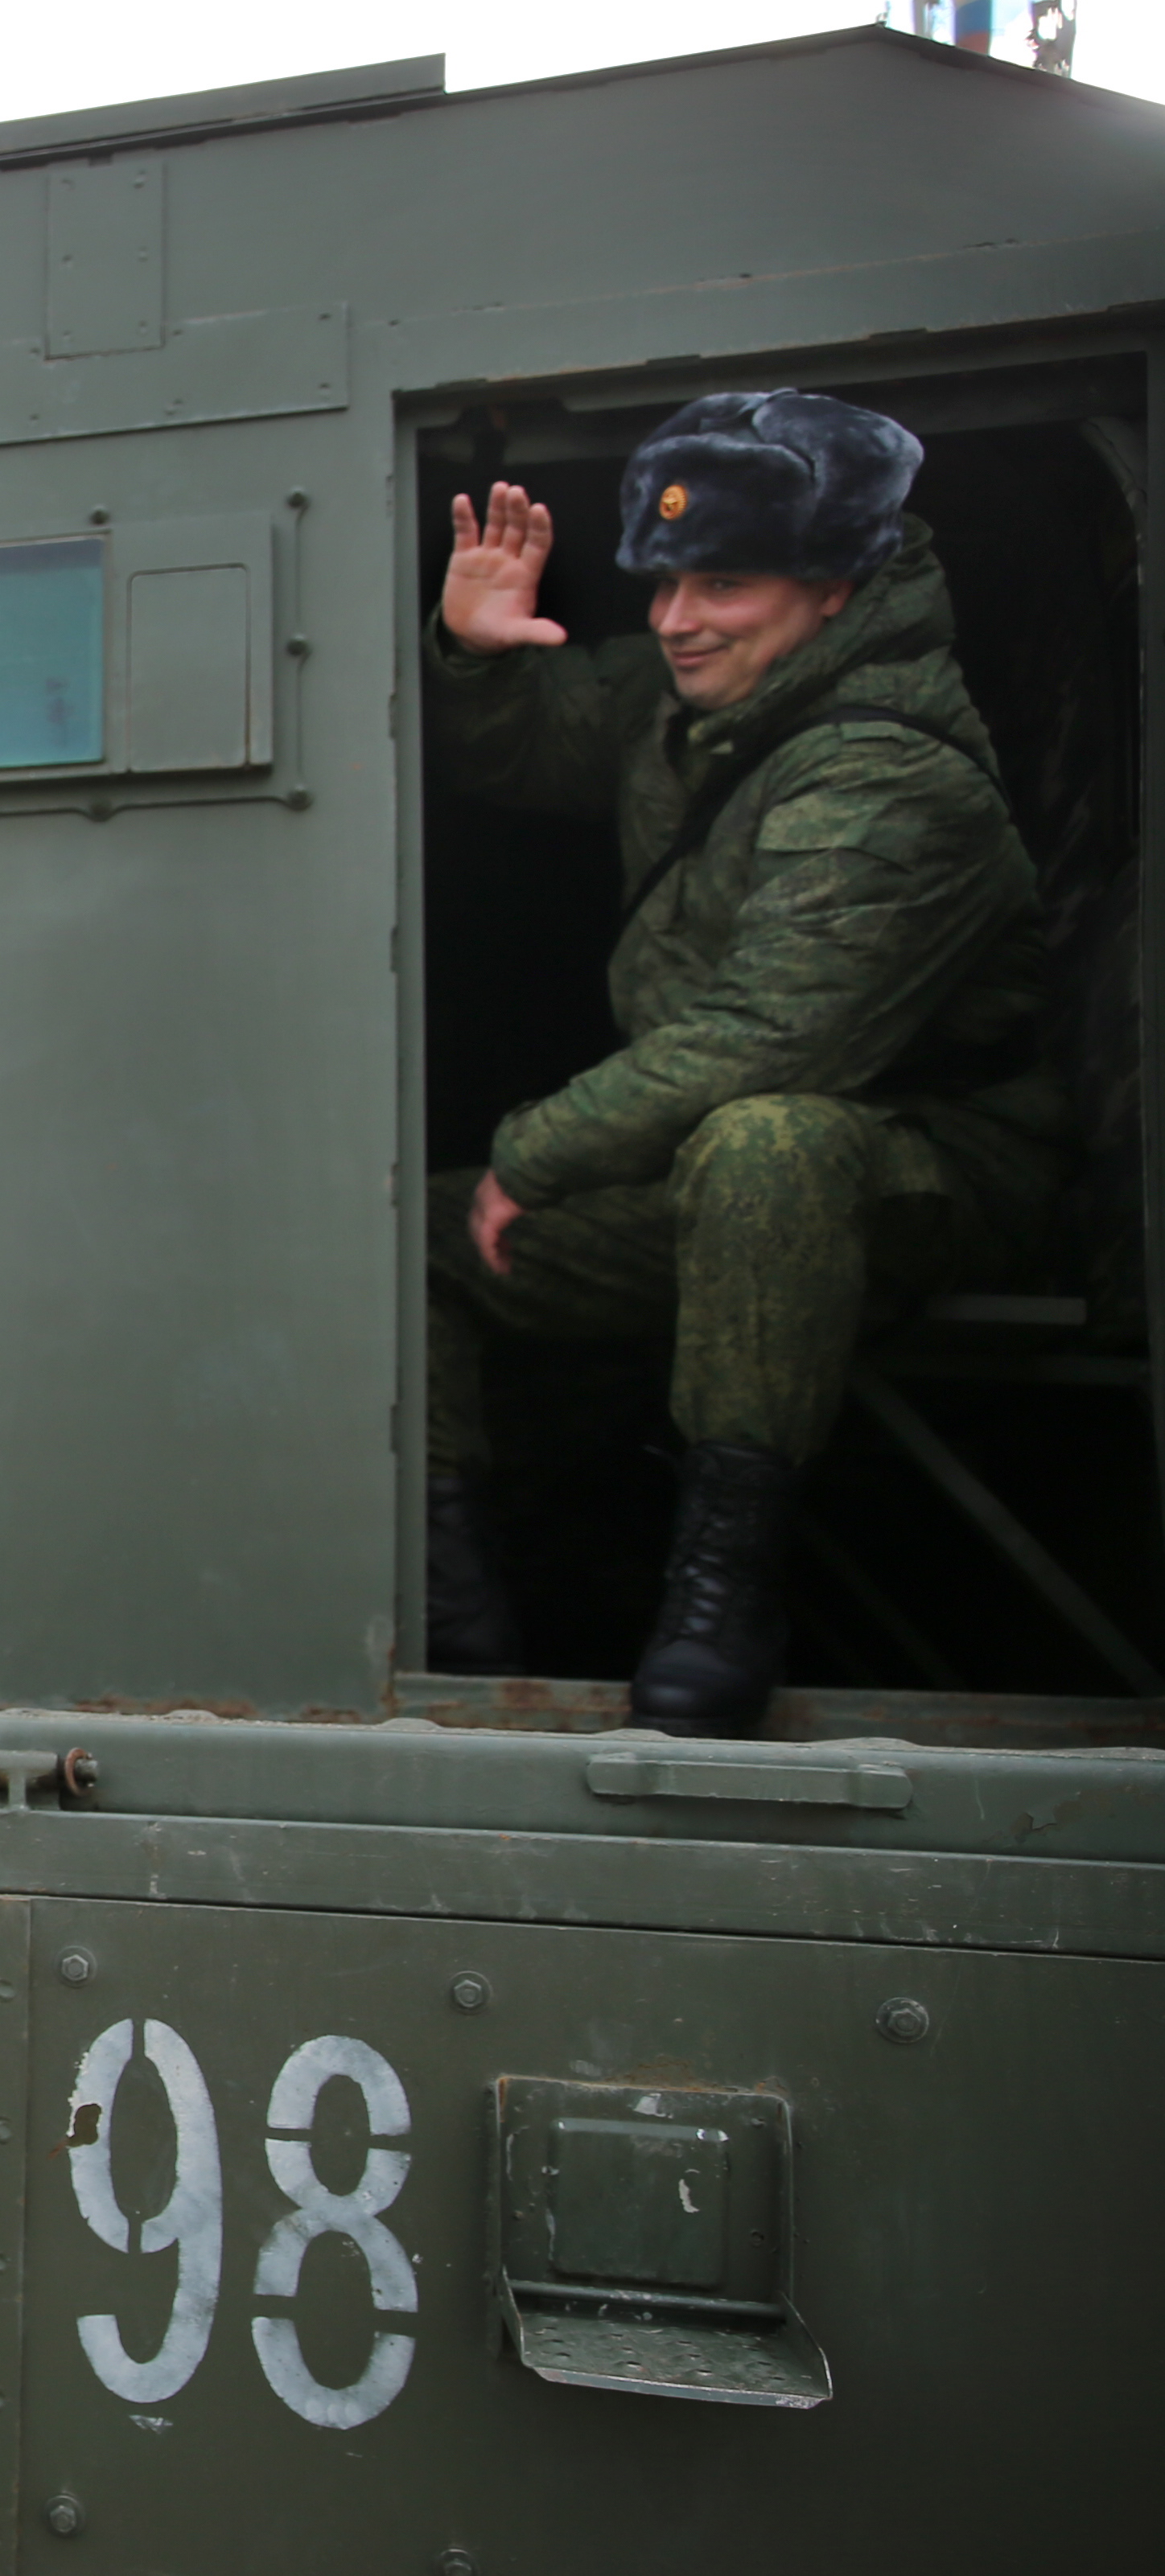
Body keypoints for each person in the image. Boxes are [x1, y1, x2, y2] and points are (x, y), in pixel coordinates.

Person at [427, 392, 1064, 1735]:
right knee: (398, 1249)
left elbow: (776, 1032)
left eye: (723, 584)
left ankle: (723, 1595)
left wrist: (537, 1150)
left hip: (921, 1177)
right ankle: (452, 1622)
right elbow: (528, 748)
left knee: (768, 1135)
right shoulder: (692, 694)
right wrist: (477, 655)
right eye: (664, 584)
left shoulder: (893, 775)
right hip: (707, 1170)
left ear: (837, 586)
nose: (677, 621)